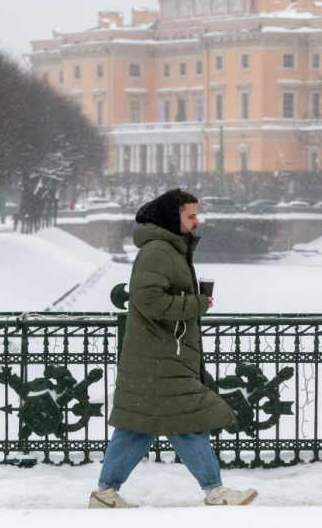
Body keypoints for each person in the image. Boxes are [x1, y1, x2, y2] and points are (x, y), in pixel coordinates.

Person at [89, 188, 257, 509]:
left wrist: (192, 303)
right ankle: (215, 491)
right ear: (172, 217)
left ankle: (105, 493)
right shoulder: (158, 252)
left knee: (137, 427)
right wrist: (196, 303)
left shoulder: (168, 249)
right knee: (187, 422)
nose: (197, 221)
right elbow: (148, 299)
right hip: (161, 357)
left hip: (158, 356)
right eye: (191, 215)